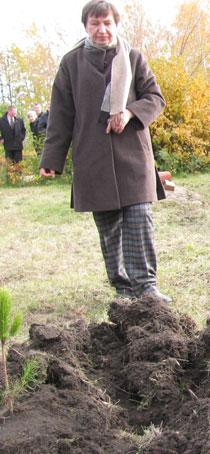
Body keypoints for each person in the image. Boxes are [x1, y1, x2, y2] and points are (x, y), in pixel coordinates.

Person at [39, 0, 171, 302]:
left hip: (133, 157)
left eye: (108, 23)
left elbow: (155, 97)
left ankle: (147, 287)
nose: (102, 30)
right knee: (110, 228)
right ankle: (123, 289)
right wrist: (51, 159)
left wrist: (129, 113)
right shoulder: (70, 63)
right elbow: (61, 114)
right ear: (86, 26)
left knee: (139, 221)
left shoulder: (133, 57)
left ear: (116, 24)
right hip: (92, 159)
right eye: (96, 23)